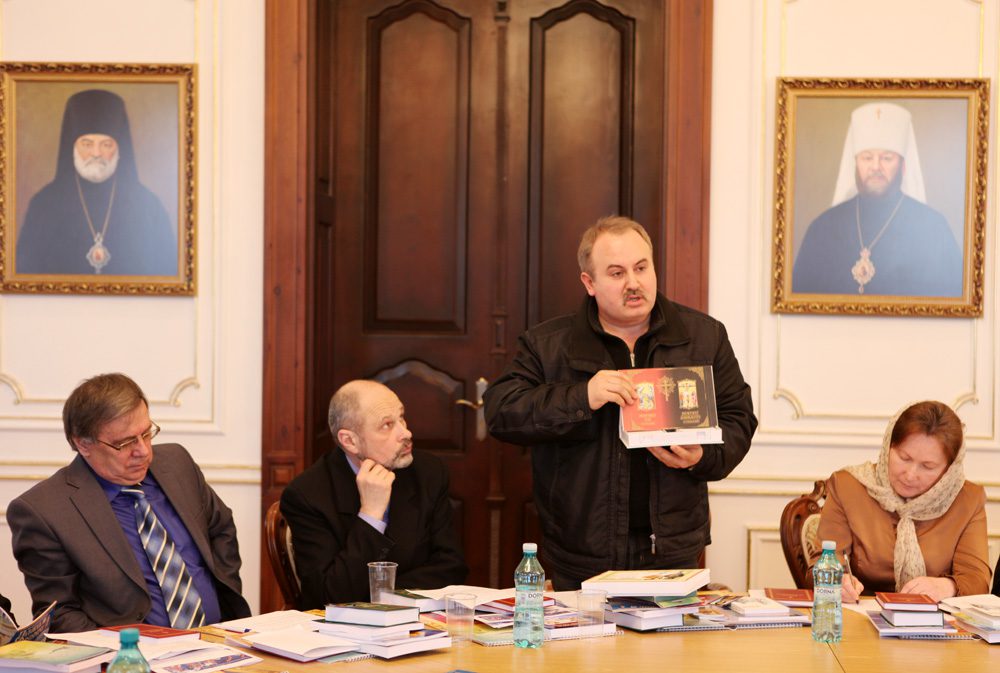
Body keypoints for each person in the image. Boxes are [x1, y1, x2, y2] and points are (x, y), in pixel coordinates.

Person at [482, 216, 757, 590]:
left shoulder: (704, 336)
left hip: (673, 551)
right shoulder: (548, 344)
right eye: (616, 273)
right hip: (580, 552)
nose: (633, 283)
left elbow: (739, 418)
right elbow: (501, 410)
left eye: (641, 268)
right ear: (589, 283)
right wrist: (583, 396)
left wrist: (702, 455)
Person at [7, 373, 250, 632]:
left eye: (146, 434)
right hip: (131, 653)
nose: (143, 451)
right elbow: (60, 615)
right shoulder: (44, 512)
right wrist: (129, 649)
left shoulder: (177, 463)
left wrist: (225, 612)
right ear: (83, 444)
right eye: (124, 443)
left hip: (219, 639)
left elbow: (221, 528)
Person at [281, 380, 467, 608]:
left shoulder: (428, 472)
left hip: (419, 619)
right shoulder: (308, 495)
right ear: (350, 441)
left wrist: (384, 595)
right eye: (387, 425)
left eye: (401, 417)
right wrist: (371, 515)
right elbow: (328, 596)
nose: (406, 432)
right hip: (345, 628)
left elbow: (451, 566)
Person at [812, 400, 990, 603]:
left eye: (928, 466)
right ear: (889, 446)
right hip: (859, 613)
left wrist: (948, 586)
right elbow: (822, 564)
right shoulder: (848, 487)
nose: (910, 475)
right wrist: (837, 581)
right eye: (904, 458)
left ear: (949, 469)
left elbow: (977, 580)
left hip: (936, 618)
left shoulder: (968, 500)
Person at [792, 102, 963, 297]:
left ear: (903, 165)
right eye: (866, 157)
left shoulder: (932, 228)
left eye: (887, 158)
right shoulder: (823, 228)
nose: (875, 167)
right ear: (855, 163)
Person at [15, 89, 177, 276]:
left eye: (106, 144)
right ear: (72, 147)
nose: (96, 153)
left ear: (120, 149)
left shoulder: (148, 206)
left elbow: (168, 275)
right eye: (87, 144)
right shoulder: (43, 205)